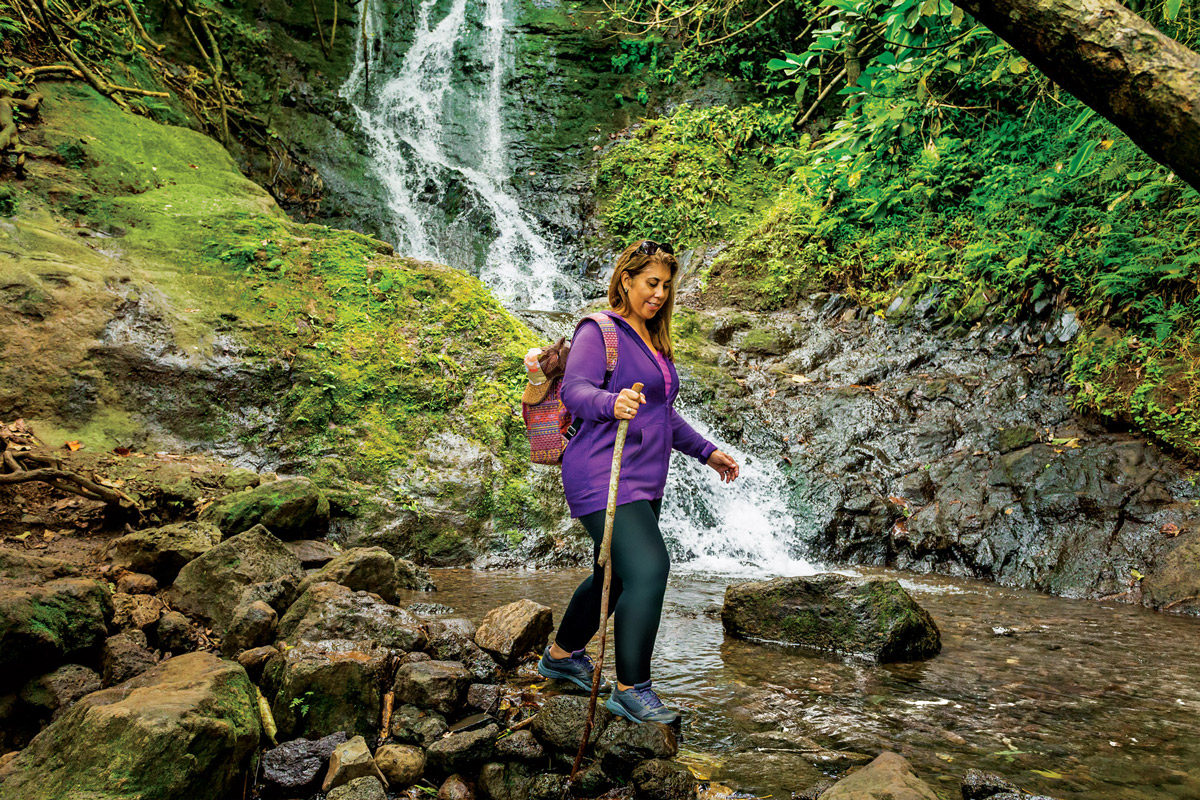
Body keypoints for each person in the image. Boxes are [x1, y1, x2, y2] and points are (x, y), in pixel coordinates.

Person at [536, 238, 740, 724]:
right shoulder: (599, 329)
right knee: (649, 570)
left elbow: (664, 417)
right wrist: (612, 403)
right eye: (652, 283)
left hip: (644, 479)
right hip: (599, 471)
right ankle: (631, 689)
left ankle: (562, 657)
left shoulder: (654, 341)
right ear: (626, 281)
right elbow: (576, 390)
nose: (660, 294)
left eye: (667, 286)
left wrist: (709, 452)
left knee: (616, 575)